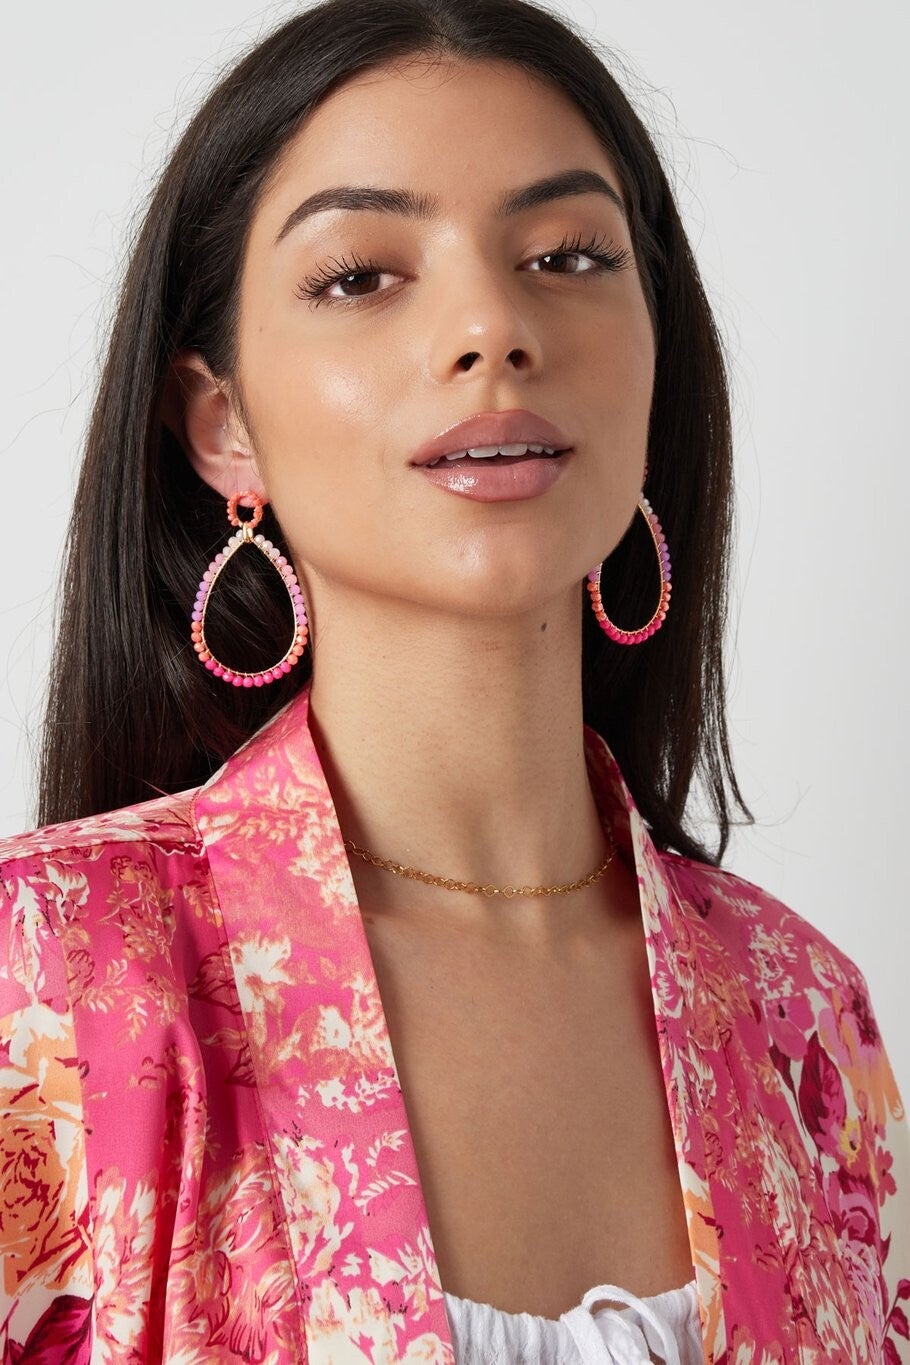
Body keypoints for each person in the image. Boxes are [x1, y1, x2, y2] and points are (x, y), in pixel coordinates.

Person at [1, 0, 907, 1361]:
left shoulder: (802, 1017)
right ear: (223, 423)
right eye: (361, 276)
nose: (492, 326)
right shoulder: (50, 975)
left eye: (567, 255)